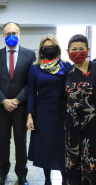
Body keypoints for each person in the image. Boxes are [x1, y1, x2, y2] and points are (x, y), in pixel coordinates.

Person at [0, 22, 36, 185]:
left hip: (21, 107)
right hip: (2, 108)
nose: (11, 36)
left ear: (19, 35)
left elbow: (31, 82)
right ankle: (3, 172)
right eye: (7, 33)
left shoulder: (30, 55)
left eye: (14, 33)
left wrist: (17, 100)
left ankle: (21, 174)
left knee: (20, 142)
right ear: (3, 36)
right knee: (3, 142)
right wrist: (3, 100)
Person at [26, 34, 71, 185]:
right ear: (41, 50)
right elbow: (31, 93)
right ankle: (47, 180)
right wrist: (30, 115)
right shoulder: (35, 68)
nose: (49, 49)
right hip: (43, 114)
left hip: (62, 113)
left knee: (61, 148)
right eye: (46, 47)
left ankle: (65, 179)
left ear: (58, 48)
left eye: (52, 46)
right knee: (45, 148)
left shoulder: (66, 66)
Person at [65, 34, 96, 185]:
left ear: (88, 50)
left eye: (81, 49)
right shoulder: (68, 72)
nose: (78, 52)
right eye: (74, 49)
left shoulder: (95, 68)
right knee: (73, 161)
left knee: (91, 160)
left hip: (93, 125)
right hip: (72, 125)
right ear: (68, 51)